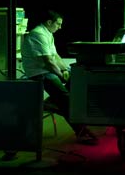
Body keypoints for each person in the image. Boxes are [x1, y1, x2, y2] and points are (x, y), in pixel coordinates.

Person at [20, 8, 98, 145]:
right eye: (58, 24)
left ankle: (53, 100)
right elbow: (49, 62)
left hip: (46, 71)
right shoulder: (38, 34)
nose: (60, 27)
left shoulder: (47, 34)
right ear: (49, 22)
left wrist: (68, 69)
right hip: (39, 74)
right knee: (66, 99)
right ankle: (81, 132)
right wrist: (62, 75)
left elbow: (56, 57)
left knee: (74, 82)